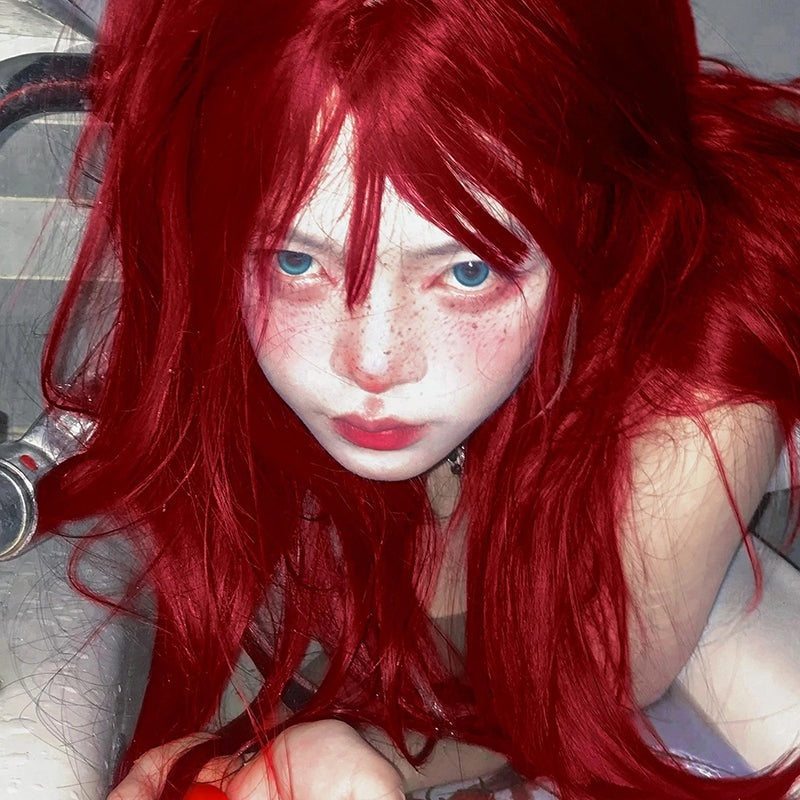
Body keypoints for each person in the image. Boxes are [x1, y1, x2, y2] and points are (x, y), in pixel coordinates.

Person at [31, 0, 800, 797]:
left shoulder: (698, 371)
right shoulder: (203, 292)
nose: (373, 363)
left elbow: (592, 678)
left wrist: (348, 749)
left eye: (469, 270)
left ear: (598, 226)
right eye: (295, 260)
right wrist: (303, 751)